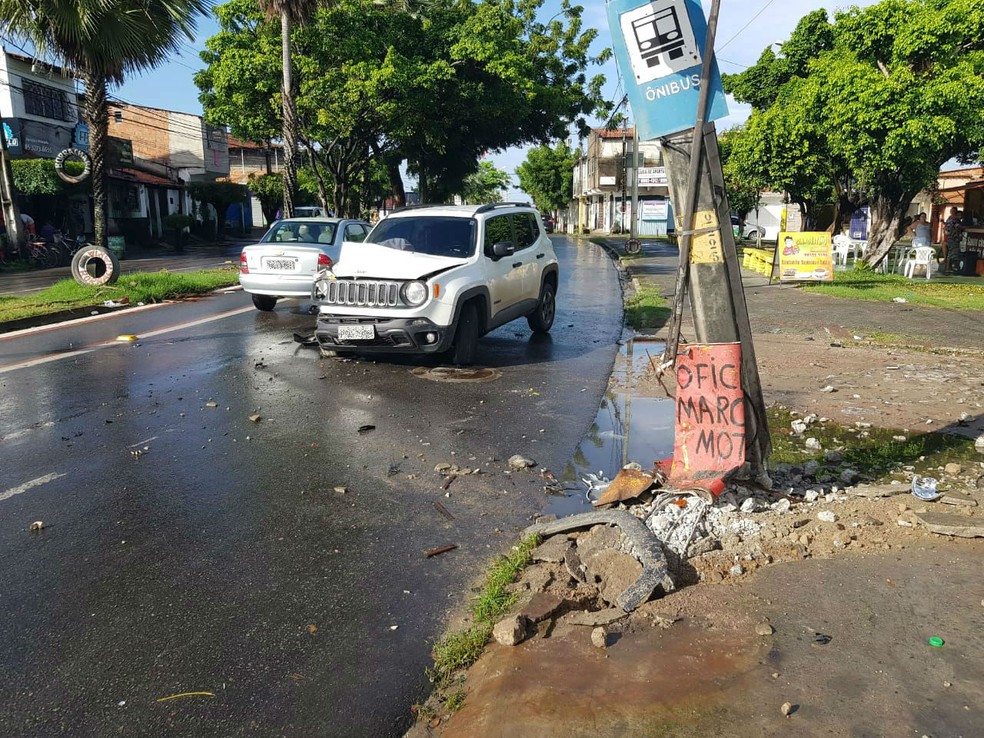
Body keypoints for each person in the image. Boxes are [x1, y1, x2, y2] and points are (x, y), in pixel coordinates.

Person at [943, 207, 963, 274]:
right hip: (954, 238)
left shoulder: (949, 219)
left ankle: (949, 267)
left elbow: (946, 227)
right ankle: (948, 268)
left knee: (951, 253)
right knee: (952, 253)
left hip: (950, 237)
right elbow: (958, 228)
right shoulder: (955, 220)